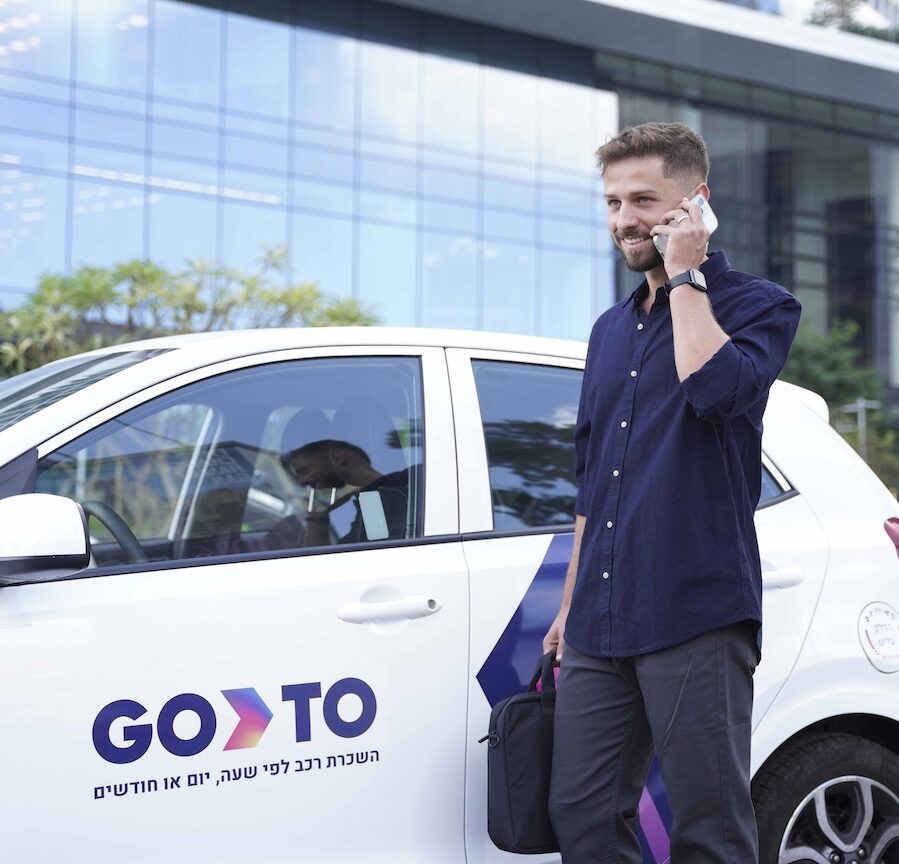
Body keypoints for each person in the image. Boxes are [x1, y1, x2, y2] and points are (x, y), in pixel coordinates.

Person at [543, 122, 801, 863]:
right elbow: (593, 476)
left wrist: (685, 275)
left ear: (693, 204)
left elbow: (715, 390)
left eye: (644, 200)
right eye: (612, 202)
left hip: (694, 607)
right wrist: (567, 605)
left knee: (708, 826)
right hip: (599, 616)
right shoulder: (607, 330)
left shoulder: (759, 304)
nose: (624, 219)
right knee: (582, 817)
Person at [271, 438, 412, 548]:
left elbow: (322, 566)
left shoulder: (375, 500)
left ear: (338, 458)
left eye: (305, 471)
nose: (302, 482)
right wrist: (318, 514)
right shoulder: (373, 498)